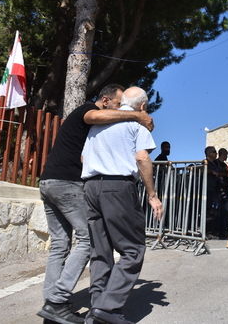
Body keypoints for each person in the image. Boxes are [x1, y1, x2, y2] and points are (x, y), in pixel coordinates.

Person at [36, 84, 153, 324]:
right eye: (118, 105)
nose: (121, 109)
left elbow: (83, 155)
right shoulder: (88, 111)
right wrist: (137, 115)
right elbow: (97, 117)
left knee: (60, 244)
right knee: (92, 242)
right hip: (68, 183)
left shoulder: (95, 131)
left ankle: (52, 303)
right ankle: (61, 300)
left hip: (49, 181)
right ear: (106, 101)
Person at [81, 86, 163, 324]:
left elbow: (84, 158)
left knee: (100, 250)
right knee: (133, 249)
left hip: (90, 187)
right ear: (143, 106)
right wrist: (152, 195)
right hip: (118, 187)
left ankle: (96, 309)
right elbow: (142, 158)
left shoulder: (98, 124)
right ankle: (108, 309)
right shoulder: (139, 123)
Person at [215, 148, 228, 238]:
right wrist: (225, 174)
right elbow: (217, 173)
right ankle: (218, 230)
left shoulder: (224, 165)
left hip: (226, 189)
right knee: (219, 211)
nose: (227, 157)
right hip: (219, 190)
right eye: (226, 155)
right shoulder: (216, 163)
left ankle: (223, 230)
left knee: (225, 210)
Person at [204, 146, 221, 238]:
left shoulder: (214, 164)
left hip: (214, 189)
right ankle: (207, 232)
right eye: (214, 152)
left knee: (214, 210)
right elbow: (201, 169)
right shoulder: (205, 162)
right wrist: (211, 172)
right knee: (210, 211)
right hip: (208, 190)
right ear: (209, 153)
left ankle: (211, 231)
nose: (216, 154)